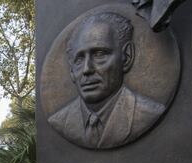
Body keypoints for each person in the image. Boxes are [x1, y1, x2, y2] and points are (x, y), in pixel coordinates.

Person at [48, 12, 165, 149]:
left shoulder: (147, 114)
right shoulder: (59, 121)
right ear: (71, 71)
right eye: (79, 59)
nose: (87, 69)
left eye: (99, 54)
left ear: (127, 57)